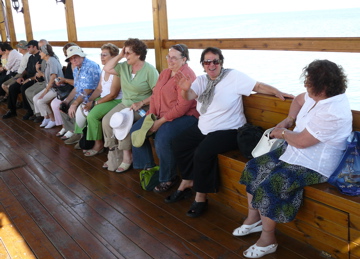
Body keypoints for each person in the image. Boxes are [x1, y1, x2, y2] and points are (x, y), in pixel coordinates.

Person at [235, 59, 352, 259]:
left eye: (309, 82)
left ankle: (268, 239)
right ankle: (253, 218)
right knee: (253, 167)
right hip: (294, 151)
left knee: (271, 184)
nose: (305, 85)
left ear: (323, 87)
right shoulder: (316, 96)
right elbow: (299, 99)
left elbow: (303, 141)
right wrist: (289, 119)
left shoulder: (334, 111)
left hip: (315, 164)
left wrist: (281, 133)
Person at [167, 47, 293, 217]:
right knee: (178, 143)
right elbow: (190, 95)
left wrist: (276, 91)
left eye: (215, 61)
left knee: (202, 152)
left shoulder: (232, 77)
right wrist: (184, 89)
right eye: (207, 62)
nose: (211, 65)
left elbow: (256, 85)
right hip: (204, 127)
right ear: (203, 65)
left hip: (229, 129)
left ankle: (200, 197)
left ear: (221, 63)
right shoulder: (202, 80)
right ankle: (189, 179)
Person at [130, 44, 199, 192]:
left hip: (186, 117)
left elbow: (183, 107)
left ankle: (168, 177)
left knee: (162, 138)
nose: (170, 60)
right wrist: (151, 117)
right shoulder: (165, 72)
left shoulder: (187, 75)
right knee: (136, 130)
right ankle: (150, 167)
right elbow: (155, 96)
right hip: (162, 114)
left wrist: (160, 122)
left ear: (184, 59)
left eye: (174, 58)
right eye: (168, 56)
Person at [102, 38, 159, 172]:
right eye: (124, 52)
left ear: (138, 54)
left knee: (124, 121)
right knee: (106, 120)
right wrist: (120, 55)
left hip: (142, 107)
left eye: (128, 53)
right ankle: (115, 153)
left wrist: (142, 102)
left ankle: (127, 157)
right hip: (125, 104)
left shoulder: (150, 70)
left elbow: (157, 94)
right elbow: (107, 68)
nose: (125, 55)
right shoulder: (124, 67)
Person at [74, 43, 122, 156]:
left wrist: (94, 103)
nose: (102, 57)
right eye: (101, 54)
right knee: (81, 108)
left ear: (114, 57)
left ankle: (99, 144)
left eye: (105, 55)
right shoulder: (104, 70)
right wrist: (88, 100)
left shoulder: (117, 71)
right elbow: (99, 89)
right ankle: (84, 140)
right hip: (104, 97)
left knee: (92, 115)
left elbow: (113, 95)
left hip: (115, 100)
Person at [61, 45, 101, 145]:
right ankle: (74, 131)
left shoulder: (91, 66)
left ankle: (80, 134)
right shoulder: (77, 69)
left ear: (82, 56)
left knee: (76, 106)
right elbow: (77, 88)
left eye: (76, 57)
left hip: (92, 97)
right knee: (62, 105)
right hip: (82, 96)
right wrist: (66, 100)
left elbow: (89, 89)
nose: (73, 60)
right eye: (71, 58)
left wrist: (75, 103)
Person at [2, 40, 41, 119]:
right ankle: (12, 110)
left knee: (23, 87)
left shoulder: (40, 57)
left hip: (35, 79)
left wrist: (28, 79)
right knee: (12, 87)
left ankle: (30, 111)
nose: (28, 49)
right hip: (27, 77)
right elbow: (26, 69)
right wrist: (21, 76)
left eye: (29, 47)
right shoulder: (30, 57)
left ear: (35, 47)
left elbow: (38, 74)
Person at [32, 44, 63, 128]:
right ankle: (46, 118)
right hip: (50, 87)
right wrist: (37, 69)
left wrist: (45, 91)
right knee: (35, 98)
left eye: (41, 52)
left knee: (41, 101)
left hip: (57, 88)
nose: (39, 54)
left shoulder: (52, 61)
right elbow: (46, 76)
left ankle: (52, 120)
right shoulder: (48, 61)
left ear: (45, 53)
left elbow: (53, 77)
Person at [51, 42, 76, 137]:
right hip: (68, 88)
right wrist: (61, 81)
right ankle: (65, 126)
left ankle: (71, 128)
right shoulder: (70, 64)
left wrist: (65, 80)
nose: (69, 58)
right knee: (54, 103)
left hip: (74, 90)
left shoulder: (76, 65)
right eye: (66, 55)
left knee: (60, 104)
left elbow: (76, 83)